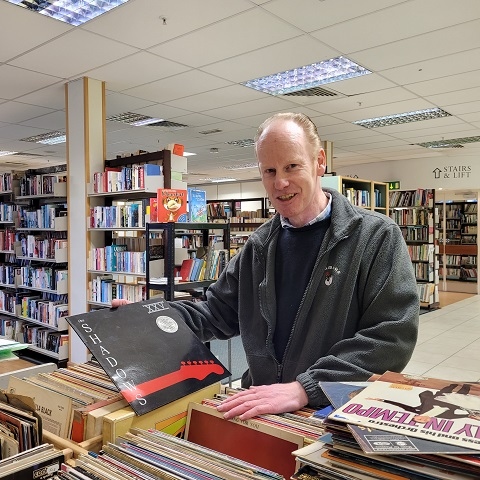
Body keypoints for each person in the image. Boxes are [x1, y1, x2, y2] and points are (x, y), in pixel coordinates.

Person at [112, 112, 419, 421]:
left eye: (292, 166)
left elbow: (392, 337)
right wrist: (148, 317)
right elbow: (216, 312)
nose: (280, 182)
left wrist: (305, 388)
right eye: (269, 170)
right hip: (262, 409)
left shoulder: (375, 237)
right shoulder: (259, 246)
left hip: (330, 413)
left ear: (319, 162)